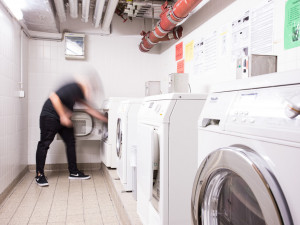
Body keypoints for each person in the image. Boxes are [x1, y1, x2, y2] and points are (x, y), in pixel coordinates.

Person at [35, 77, 108, 187]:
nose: (91, 93)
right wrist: (63, 116)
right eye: (91, 90)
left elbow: (89, 108)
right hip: (49, 116)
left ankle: (73, 172)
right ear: (86, 86)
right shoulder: (74, 87)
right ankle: (39, 175)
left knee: (70, 141)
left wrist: (105, 119)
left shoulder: (79, 93)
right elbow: (54, 97)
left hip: (60, 118)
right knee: (44, 144)